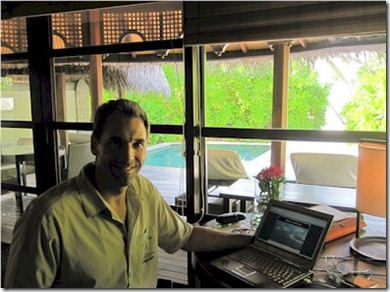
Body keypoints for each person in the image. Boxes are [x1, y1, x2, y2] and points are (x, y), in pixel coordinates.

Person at [5, 99, 252, 288]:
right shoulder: (46, 218)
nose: (127, 156)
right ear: (95, 144)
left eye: (137, 144)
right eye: (115, 142)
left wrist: (249, 239)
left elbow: (186, 237)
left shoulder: (144, 192)